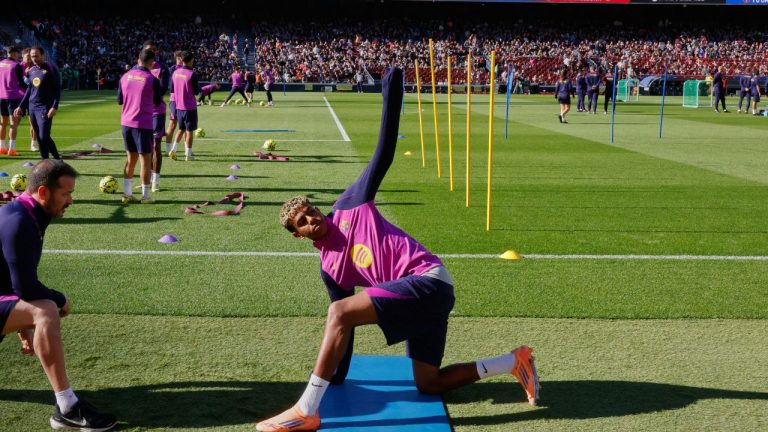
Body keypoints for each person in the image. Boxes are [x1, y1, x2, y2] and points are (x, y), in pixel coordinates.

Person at [256, 68, 539, 432]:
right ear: (298, 235)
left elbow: (383, 153)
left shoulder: (349, 204)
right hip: (417, 301)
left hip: (428, 281)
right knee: (428, 383)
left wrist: (391, 95)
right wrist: (339, 376)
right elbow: (346, 327)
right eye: (303, 221)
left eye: (310, 210)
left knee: (340, 311)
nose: (311, 219)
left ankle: (307, 409)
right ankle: (514, 361)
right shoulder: (330, 267)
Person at [0, 160, 118, 431]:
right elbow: (26, 289)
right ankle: (67, 407)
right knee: (46, 309)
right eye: (66, 194)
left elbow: (7, 276)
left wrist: (21, 325)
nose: (70, 201)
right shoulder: (19, 221)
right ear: (43, 193)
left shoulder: (28, 214)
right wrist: (59, 299)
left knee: (40, 309)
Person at [117, 49, 163, 204]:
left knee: (131, 159)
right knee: (145, 160)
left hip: (126, 123)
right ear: (151, 62)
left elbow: (119, 100)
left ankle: (127, 193)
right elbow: (157, 102)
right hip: (143, 124)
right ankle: (145, 196)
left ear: (138, 60)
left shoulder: (125, 76)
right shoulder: (152, 79)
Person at [14, 46, 61, 160]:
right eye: (32, 56)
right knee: (39, 138)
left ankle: (58, 160)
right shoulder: (31, 70)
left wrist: (54, 106)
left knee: (44, 136)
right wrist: (21, 106)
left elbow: (57, 90)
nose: (34, 58)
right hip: (32, 108)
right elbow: (30, 90)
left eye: (36, 56)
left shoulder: (51, 68)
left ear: (42, 55)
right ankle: (45, 161)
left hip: (45, 107)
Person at [143, 40, 170, 193]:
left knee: (155, 146)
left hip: (156, 112)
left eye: (154, 50)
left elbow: (162, 91)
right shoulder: (137, 69)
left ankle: (155, 181)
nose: (152, 52)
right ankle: (145, 178)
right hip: (140, 112)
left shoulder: (163, 68)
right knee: (143, 149)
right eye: (149, 50)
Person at [168, 51, 200, 161]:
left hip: (179, 106)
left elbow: (171, 89)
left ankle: (173, 149)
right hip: (189, 107)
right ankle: (188, 154)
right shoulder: (192, 74)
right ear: (191, 60)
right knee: (189, 130)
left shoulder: (175, 72)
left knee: (181, 129)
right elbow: (196, 91)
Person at [0, 46, 27, 156]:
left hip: (1, 96)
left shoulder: (1, 63)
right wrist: (31, 87)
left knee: (3, 123)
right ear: (15, 54)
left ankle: (1, 148)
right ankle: (12, 149)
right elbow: (21, 83)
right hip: (13, 96)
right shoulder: (17, 65)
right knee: (13, 124)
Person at [165, 51, 183, 159]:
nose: (181, 59)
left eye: (183, 57)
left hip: (185, 101)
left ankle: (188, 150)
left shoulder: (187, 69)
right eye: (180, 57)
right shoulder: (172, 70)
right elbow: (170, 86)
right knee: (172, 124)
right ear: (176, 58)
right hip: (175, 100)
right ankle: (168, 149)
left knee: (185, 127)